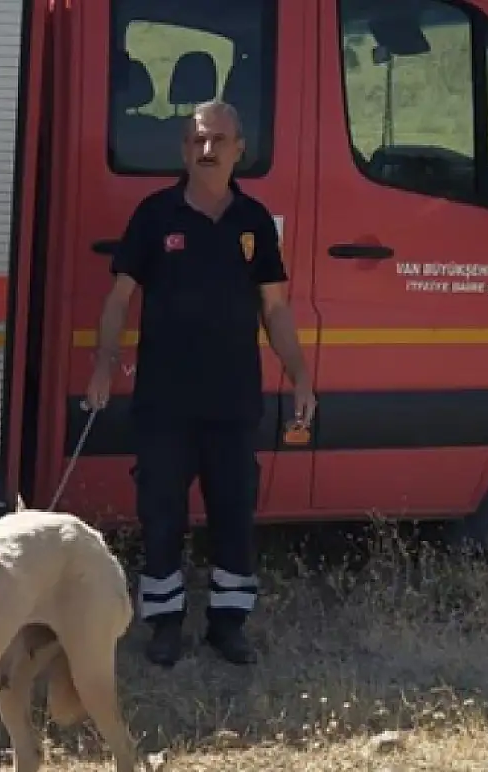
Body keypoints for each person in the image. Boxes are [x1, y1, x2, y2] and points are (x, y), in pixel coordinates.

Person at [85, 99, 314, 668]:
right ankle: (164, 625)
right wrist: (102, 365)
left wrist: (301, 374)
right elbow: (118, 299)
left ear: (240, 149)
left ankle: (228, 626)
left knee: (234, 514)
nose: (207, 150)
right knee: (161, 516)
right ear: (185, 151)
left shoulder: (254, 223)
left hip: (234, 401)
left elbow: (276, 309)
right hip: (164, 402)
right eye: (197, 141)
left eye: (219, 140)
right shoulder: (155, 216)